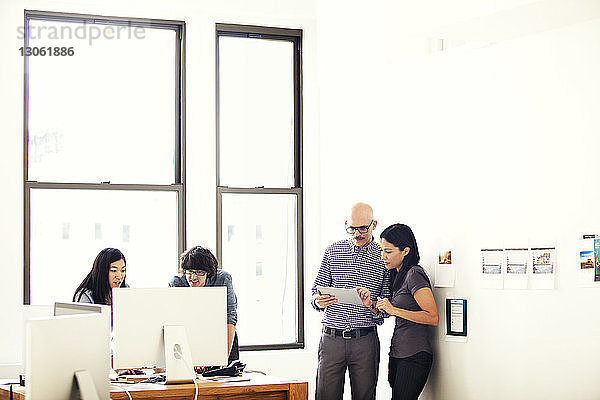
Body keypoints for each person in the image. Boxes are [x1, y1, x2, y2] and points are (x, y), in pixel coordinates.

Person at [311, 202, 390, 400]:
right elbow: (315, 292)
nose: (357, 234)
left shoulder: (384, 256)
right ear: (347, 224)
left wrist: (370, 302)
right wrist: (318, 301)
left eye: (363, 228)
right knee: (325, 396)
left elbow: (388, 306)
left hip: (365, 341)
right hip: (331, 340)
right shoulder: (333, 251)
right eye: (352, 228)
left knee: (364, 396)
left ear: (374, 224)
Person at [358, 224, 438, 400]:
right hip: (398, 353)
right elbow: (389, 311)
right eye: (381, 250)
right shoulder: (396, 275)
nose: (383, 257)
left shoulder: (415, 274)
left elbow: (432, 317)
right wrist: (370, 304)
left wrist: (394, 309)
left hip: (414, 354)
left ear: (405, 251)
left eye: (388, 251)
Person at [169, 245, 239, 363]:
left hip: (222, 335)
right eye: (190, 272)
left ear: (209, 273)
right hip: (190, 336)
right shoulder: (177, 284)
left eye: (200, 272)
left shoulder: (222, 279)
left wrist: (222, 358)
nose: (193, 277)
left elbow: (230, 317)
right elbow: (175, 321)